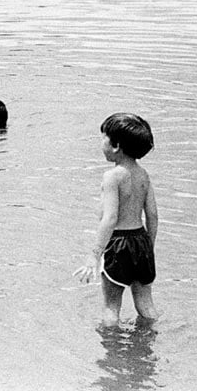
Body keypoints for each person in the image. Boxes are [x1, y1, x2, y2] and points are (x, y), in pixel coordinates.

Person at [75, 113, 160, 327]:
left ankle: (112, 357)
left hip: (119, 244)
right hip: (141, 241)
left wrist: (94, 254)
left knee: (111, 307)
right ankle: (150, 342)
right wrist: (149, 246)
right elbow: (152, 214)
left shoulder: (112, 177)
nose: (101, 142)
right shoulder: (144, 175)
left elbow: (110, 218)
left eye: (104, 137)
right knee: (145, 304)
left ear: (116, 146)